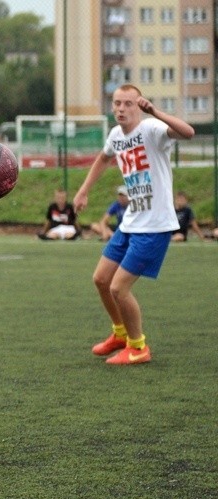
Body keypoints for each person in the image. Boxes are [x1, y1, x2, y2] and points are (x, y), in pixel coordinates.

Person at [73, 83, 194, 365]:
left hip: (154, 226)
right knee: (101, 280)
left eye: (128, 103)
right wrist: (83, 191)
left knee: (119, 288)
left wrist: (155, 111)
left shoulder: (151, 129)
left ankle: (138, 348)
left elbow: (188, 133)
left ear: (138, 106)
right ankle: (120, 333)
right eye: (117, 103)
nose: (121, 108)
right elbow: (103, 159)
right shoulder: (116, 135)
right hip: (130, 222)